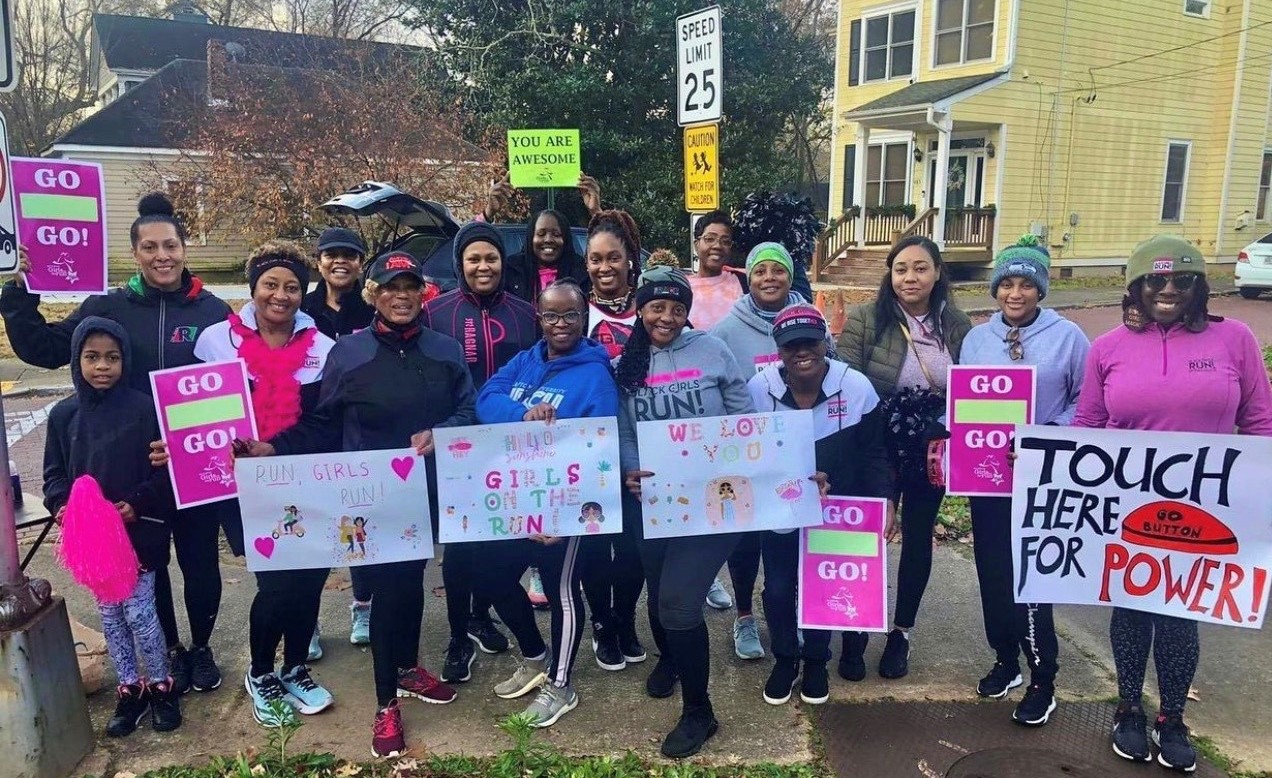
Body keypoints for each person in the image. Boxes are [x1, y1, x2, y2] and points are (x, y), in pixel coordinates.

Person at [241, 249, 472, 758]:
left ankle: (408, 668)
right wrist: (274, 448)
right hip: (366, 499)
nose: (401, 295)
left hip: (424, 491)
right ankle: (386, 703)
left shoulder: (445, 350)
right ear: (374, 294)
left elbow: (467, 408)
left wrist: (442, 432)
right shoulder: (348, 352)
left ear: (422, 293)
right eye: (390, 287)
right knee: (389, 591)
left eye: (410, 286)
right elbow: (322, 421)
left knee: (411, 583)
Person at [0, 192, 232, 694]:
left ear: (184, 249)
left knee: (199, 561)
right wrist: (20, 291)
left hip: (192, 464)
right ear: (135, 253)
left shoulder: (212, 310)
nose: (161, 256)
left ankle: (202, 649)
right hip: (135, 471)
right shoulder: (106, 307)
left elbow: (233, 386)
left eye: (170, 245)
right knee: (149, 564)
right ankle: (168, 648)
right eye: (149, 247)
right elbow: (42, 348)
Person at [1073, 235, 1272, 771]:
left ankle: (1174, 716)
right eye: (1154, 280)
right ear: (1135, 287)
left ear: (1199, 286)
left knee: (1183, 613)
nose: (1167, 290)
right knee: (1133, 607)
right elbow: (1088, 426)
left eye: (1181, 280)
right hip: (1128, 506)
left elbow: (1259, 421)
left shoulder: (1236, 342)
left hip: (1206, 507)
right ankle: (1130, 707)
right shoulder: (1107, 348)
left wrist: (1261, 491)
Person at [619, 267, 823, 758]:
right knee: (659, 588)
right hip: (656, 502)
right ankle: (672, 659)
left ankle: (699, 712)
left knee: (677, 603)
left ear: (688, 313)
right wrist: (629, 469)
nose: (665, 316)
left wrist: (777, 470)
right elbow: (625, 429)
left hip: (715, 503)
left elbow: (746, 420)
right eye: (656, 306)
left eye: (676, 308)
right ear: (640, 310)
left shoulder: (712, 350)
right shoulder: (625, 362)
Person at [190, 241, 337, 726]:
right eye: (271, 284)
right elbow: (194, 416)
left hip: (304, 477)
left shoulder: (322, 349)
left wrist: (278, 447)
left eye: (292, 286)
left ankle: (295, 667)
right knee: (275, 584)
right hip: (243, 487)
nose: (281, 295)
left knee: (310, 577)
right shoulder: (215, 342)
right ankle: (260, 673)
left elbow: (325, 423)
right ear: (253, 288)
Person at [475, 279, 621, 727]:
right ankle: (536, 655)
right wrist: (522, 414)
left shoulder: (596, 373)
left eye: (571, 315)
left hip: (567, 507)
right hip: (519, 500)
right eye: (552, 315)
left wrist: (567, 515)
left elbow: (600, 450)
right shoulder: (524, 361)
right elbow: (485, 400)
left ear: (584, 319)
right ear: (539, 317)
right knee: (494, 577)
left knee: (562, 593)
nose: (561, 324)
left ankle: (561, 685)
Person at [960, 236, 1089, 727]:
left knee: (1032, 577)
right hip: (988, 477)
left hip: (1043, 476)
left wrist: (1048, 433)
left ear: (1041, 290)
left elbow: (1088, 402)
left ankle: (1043, 678)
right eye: (1006, 284)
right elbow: (964, 402)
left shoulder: (1069, 337)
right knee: (993, 572)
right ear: (995, 291)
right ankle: (1005, 660)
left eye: (1026, 285)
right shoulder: (977, 339)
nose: (1015, 294)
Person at [836, 235, 971, 680]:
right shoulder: (866, 320)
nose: (909, 277)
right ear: (889, 275)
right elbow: (846, 382)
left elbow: (973, 388)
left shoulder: (957, 326)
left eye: (920, 268)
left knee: (916, 535)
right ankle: (854, 633)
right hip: (875, 442)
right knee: (865, 534)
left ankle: (900, 632)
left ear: (937, 274)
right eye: (900, 269)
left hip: (932, 446)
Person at [748, 304, 891, 707]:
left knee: (823, 587)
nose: (801, 352)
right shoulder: (759, 389)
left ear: (825, 342)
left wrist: (887, 501)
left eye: (810, 342)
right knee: (777, 589)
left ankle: (815, 660)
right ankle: (785, 658)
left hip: (839, 507)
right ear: (778, 350)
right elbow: (747, 452)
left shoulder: (857, 386)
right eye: (791, 345)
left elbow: (876, 453)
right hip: (782, 506)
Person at [45, 317, 181, 737]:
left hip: (138, 533)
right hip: (95, 542)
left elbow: (163, 473)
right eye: (91, 357)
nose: (102, 366)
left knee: (141, 615)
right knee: (112, 618)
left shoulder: (144, 409)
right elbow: (54, 476)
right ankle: (130, 689)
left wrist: (135, 505)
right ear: (76, 361)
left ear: (125, 360)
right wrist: (62, 506)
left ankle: (161, 684)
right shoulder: (64, 415)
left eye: (112, 358)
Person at [421, 222, 539, 683]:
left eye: (490, 257)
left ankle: (480, 614)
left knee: (505, 545)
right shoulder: (436, 313)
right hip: (458, 448)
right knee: (461, 549)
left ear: (502, 262)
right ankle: (456, 634)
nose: (483, 266)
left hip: (513, 448)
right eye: (473, 259)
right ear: (460, 265)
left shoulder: (526, 314)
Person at [709, 242, 817, 661]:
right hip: (744, 451)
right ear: (747, 277)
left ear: (790, 277)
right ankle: (743, 616)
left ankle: (788, 616)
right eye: (760, 271)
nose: (769, 278)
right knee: (743, 542)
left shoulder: (811, 317)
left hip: (797, 451)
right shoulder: (725, 330)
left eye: (778, 270)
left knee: (789, 540)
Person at [580, 210, 648, 672]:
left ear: (629, 260)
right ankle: (602, 624)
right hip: (586, 447)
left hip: (640, 446)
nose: (605, 267)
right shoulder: (573, 310)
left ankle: (624, 619)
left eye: (614, 258)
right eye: (596, 259)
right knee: (593, 544)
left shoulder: (650, 308)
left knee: (633, 547)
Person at [686, 211, 746, 331]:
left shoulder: (743, 281)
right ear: (696, 245)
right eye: (710, 239)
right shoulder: (682, 286)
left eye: (725, 241)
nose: (717, 246)